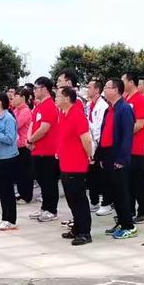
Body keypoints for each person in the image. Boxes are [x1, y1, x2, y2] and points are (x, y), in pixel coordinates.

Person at [96, 78, 136, 239]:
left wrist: (122, 159)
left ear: (116, 90)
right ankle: (121, 221)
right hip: (107, 154)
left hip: (118, 155)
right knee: (113, 192)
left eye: (107, 87)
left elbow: (127, 136)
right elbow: (104, 132)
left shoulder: (124, 109)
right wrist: (100, 154)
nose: (104, 90)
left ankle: (129, 226)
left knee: (121, 192)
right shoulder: (109, 109)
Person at [56, 87, 93, 245]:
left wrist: (89, 155)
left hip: (76, 164)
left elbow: (86, 139)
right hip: (65, 163)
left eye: (58, 96)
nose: (55, 98)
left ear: (66, 98)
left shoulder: (77, 114)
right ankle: (77, 228)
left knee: (78, 199)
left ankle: (85, 232)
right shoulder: (63, 115)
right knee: (71, 199)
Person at [27, 77, 59, 222]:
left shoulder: (50, 106)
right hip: (36, 150)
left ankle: (51, 210)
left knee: (49, 182)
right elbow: (32, 125)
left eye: (36, 88)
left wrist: (31, 139)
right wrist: (29, 140)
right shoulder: (38, 106)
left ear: (44, 89)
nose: (34, 91)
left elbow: (44, 128)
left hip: (48, 151)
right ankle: (44, 208)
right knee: (41, 180)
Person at [122, 72, 144, 224]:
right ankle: (130, 210)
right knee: (128, 181)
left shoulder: (139, 99)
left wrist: (122, 133)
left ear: (131, 82)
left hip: (137, 147)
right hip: (127, 147)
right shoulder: (126, 98)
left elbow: (139, 124)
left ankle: (143, 211)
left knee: (139, 181)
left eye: (123, 80)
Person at [0, 92, 19, 231]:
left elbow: (10, 138)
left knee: (7, 190)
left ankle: (10, 219)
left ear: (0, 102)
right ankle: (4, 217)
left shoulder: (8, 118)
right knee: (1, 190)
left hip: (7, 158)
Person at [87, 79, 109, 214]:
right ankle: (94, 201)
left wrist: (97, 146)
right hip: (90, 144)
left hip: (99, 144)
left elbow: (99, 128)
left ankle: (105, 202)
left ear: (97, 90)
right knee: (92, 176)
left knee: (101, 175)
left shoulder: (103, 106)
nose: (87, 89)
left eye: (89, 87)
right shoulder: (89, 104)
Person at [12, 87, 34, 203]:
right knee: (19, 172)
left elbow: (16, 125)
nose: (13, 98)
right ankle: (21, 193)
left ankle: (26, 195)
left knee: (26, 172)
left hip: (24, 146)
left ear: (23, 98)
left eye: (16, 96)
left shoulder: (25, 111)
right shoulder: (16, 110)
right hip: (17, 146)